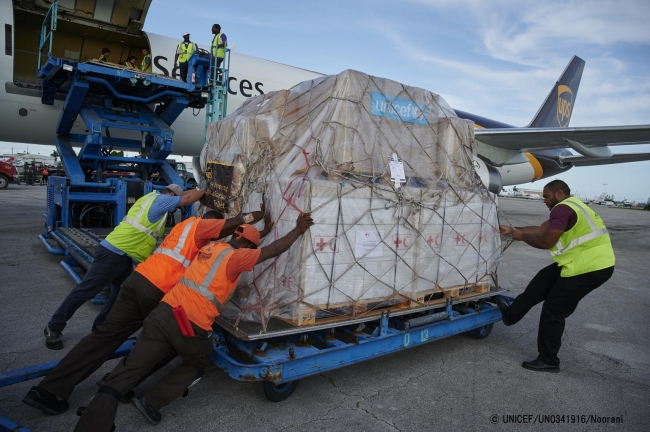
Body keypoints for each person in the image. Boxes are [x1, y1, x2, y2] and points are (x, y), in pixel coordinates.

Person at [74, 213, 314, 431]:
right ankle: (151, 401)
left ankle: (92, 424)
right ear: (248, 246)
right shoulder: (237, 257)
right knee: (198, 360)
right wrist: (298, 228)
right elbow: (276, 249)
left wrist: (258, 230)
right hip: (188, 322)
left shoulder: (212, 247)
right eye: (252, 247)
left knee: (129, 369)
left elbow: (243, 239)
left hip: (163, 312)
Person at [23, 206, 272, 415]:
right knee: (170, 342)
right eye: (221, 229)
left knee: (103, 337)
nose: (223, 235)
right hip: (157, 291)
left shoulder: (183, 230)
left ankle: (48, 391)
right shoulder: (201, 226)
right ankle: (123, 384)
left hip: (137, 280)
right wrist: (259, 214)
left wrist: (262, 234)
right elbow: (238, 222)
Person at [43, 185, 205, 350]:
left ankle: (101, 326)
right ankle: (53, 327)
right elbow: (187, 199)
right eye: (175, 204)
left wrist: (196, 189)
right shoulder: (161, 201)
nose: (176, 208)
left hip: (123, 255)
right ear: (170, 195)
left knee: (120, 291)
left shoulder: (153, 198)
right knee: (86, 290)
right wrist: (206, 189)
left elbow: (184, 196)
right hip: (114, 253)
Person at [497, 180, 615, 373]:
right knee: (543, 280)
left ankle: (549, 360)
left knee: (553, 310)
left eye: (546, 196)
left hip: (590, 267)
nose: (544, 200)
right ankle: (511, 314)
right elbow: (542, 228)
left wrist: (521, 236)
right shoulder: (572, 205)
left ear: (559, 193)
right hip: (580, 261)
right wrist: (513, 230)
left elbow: (546, 241)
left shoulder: (561, 209)